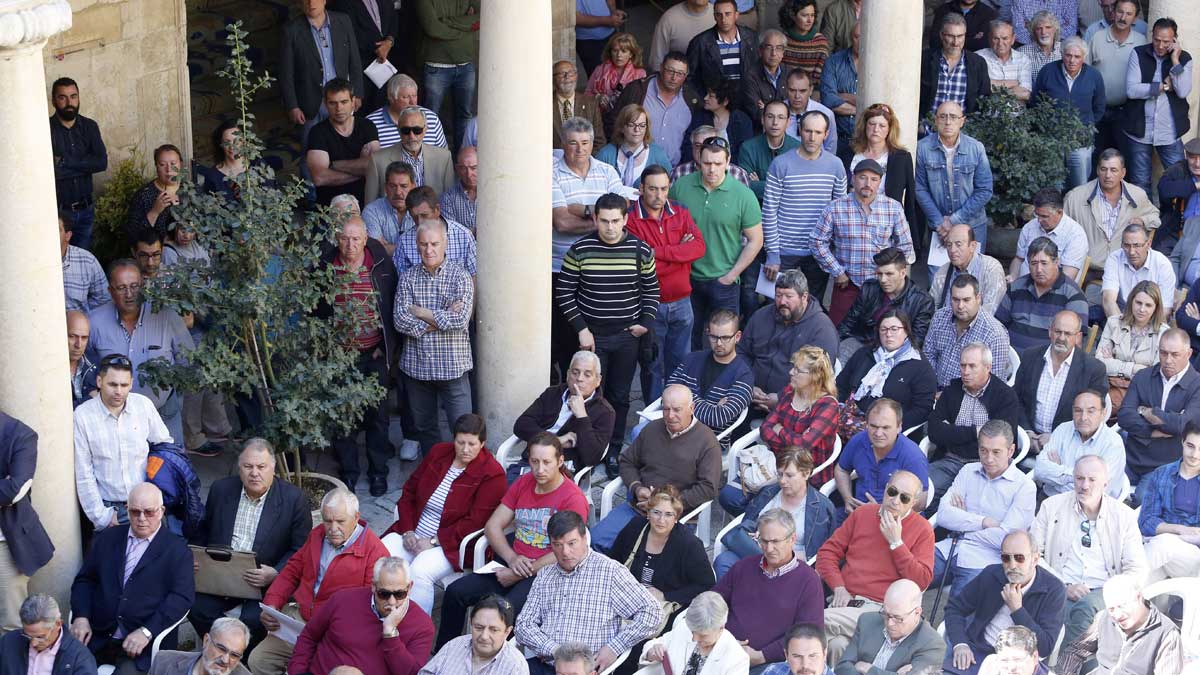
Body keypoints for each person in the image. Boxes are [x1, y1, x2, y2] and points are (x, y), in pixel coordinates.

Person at [435, 433, 590, 649]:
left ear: (560, 461)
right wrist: (512, 558)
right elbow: (493, 526)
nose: (540, 469)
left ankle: (490, 666)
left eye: (547, 462)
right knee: (455, 593)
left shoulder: (572, 498)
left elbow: (566, 550)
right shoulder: (524, 482)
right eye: (534, 461)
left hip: (545, 573)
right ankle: (445, 656)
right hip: (512, 561)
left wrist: (518, 573)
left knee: (502, 614)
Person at [557, 193, 660, 453]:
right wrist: (581, 329)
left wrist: (645, 323)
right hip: (592, 336)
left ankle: (613, 449)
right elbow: (564, 292)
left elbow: (652, 290)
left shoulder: (640, 250)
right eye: (604, 221)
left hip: (628, 336)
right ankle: (589, 447)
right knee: (589, 395)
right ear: (595, 219)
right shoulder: (580, 249)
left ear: (626, 219)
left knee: (620, 395)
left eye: (616, 220)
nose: (610, 227)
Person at [249, 488, 388, 675]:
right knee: (258, 661)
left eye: (340, 521)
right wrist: (271, 604)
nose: (333, 528)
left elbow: (369, 610)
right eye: (327, 521)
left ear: (356, 517)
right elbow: (292, 570)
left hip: (335, 632)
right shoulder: (317, 534)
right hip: (298, 619)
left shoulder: (375, 553)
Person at [189, 439, 310, 644]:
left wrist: (276, 572)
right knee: (194, 605)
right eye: (248, 466)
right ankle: (219, 649)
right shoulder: (221, 489)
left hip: (262, 582)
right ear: (239, 467)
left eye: (261, 467)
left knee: (254, 620)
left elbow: (300, 549)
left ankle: (243, 660)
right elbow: (203, 532)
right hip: (221, 576)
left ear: (273, 467)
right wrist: (195, 555)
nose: (255, 473)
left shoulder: (294, 499)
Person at [515, 510, 663, 675]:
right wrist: (555, 651)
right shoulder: (545, 575)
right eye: (558, 545)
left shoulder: (610, 572)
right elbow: (523, 625)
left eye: (572, 543)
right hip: (547, 663)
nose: (565, 552)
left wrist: (615, 647)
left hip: (584, 670)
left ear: (585, 539)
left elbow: (652, 613)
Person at [385, 414, 505, 615]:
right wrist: (407, 531)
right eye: (460, 442)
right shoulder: (438, 453)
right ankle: (378, 617)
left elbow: (475, 522)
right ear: (454, 439)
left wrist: (433, 541)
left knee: (420, 571)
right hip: (413, 531)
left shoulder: (492, 474)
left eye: (472, 444)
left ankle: (417, 631)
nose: (465, 449)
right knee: (380, 556)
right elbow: (409, 492)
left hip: (452, 544)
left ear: (482, 443)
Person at [69, 483, 194, 675]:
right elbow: (85, 580)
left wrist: (147, 631)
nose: (142, 519)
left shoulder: (177, 550)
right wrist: (81, 617)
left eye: (149, 512)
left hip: (141, 646)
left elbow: (181, 598)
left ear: (161, 511)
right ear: (127, 510)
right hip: (97, 634)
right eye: (135, 512)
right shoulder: (108, 538)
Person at [815, 471, 935, 663]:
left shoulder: (922, 529)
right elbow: (827, 553)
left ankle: (766, 654)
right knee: (837, 646)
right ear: (886, 488)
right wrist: (838, 586)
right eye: (893, 492)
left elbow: (921, 581)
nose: (895, 500)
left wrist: (896, 543)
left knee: (814, 620)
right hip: (847, 602)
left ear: (913, 503)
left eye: (904, 498)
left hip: (883, 612)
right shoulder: (863, 514)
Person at [318, 216, 398, 493]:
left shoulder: (380, 265)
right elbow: (316, 312)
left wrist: (384, 345)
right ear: (337, 239)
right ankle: (348, 473)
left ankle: (378, 472)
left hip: (372, 354)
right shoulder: (326, 267)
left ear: (365, 239)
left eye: (355, 239)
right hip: (340, 357)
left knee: (378, 416)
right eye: (344, 238)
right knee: (343, 417)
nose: (350, 245)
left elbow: (390, 307)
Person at [1032, 456, 1147, 647]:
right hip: (1061, 589)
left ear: (1105, 483)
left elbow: (1136, 568)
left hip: (1105, 594)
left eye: (1092, 480)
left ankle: (1062, 667)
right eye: (1079, 478)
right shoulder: (1051, 507)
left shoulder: (1123, 515)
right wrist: (1063, 586)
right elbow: (1033, 555)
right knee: (1072, 617)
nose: (1084, 485)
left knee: (1085, 611)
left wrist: (1111, 594)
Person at [591, 385, 721, 551]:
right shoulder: (652, 429)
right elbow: (627, 461)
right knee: (595, 540)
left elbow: (708, 488)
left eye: (677, 410)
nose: (670, 415)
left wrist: (665, 505)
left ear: (691, 408)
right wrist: (637, 488)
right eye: (666, 409)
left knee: (642, 558)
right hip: (639, 508)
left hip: (674, 516)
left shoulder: (707, 441)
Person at [551, 117, 628, 372]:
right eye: (572, 143)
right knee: (565, 338)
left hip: (603, 266)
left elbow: (622, 211)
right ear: (563, 143)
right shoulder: (551, 172)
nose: (579, 149)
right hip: (560, 268)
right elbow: (561, 222)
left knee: (597, 339)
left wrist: (579, 209)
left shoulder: (606, 171)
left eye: (585, 143)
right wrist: (600, 218)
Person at [670, 136, 763, 345]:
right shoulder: (681, 186)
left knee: (725, 343)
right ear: (698, 161)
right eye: (707, 163)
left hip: (725, 281)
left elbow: (756, 240)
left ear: (728, 162)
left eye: (718, 164)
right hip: (687, 278)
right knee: (686, 341)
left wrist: (732, 275)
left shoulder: (743, 195)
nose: (712, 169)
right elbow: (668, 225)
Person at [392, 221, 475, 455]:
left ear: (445, 243)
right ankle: (435, 474)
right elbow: (400, 321)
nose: (429, 250)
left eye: (435, 244)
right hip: (418, 369)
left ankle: (463, 480)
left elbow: (460, 321)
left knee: (464, 431)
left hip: (453, 369)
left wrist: (421, 313)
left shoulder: (461, 276)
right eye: (424, 244)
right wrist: (443, 316)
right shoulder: (408, 278)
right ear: (417, 245)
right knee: (425, 429)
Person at [626, 165, 707, 401]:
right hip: (651, 305)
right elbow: (640, 264)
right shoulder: (630, 220)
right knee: (652, 365)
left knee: (681, 364)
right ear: (641, 188)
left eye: (663, 188)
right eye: (652, 189)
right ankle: (652, 419)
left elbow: (699, 248)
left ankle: (678, 412)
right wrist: (680, 255)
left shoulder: (680, 213)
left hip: (683, 303)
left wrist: (657, 252)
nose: (659, 195)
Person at [608, 486, 715, 659]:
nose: (661, 520)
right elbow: (613, 561)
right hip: (627, 599)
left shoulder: (688, 544)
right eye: (656, 513)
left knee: (632, 650)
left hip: (662, 610)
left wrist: (665, 594)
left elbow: (706, 585)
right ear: (648, 512)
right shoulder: (636, 528)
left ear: (676, 517)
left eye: (668, 515)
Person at [934, 420, 1037, 598]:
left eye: (996, 452)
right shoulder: (968, 471)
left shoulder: (1025, 487)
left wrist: (961, 525)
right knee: (905, 576)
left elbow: (1006, 539)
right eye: (983, 450)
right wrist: (984, 522)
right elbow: (943, 515)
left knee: (958, 612)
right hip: (948, 547)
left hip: (984, 560)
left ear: (1011, 451)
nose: (988, 459)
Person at [715, 509, 825, 672]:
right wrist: (719, 638)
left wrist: (761, 656)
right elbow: (713, 601)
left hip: (769, 664)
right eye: (764, 541)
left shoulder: (808, 580)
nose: (769, 548)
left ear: (792, 539)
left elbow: (808, 634)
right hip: (723, 650)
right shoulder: (744, 566)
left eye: (775, 541)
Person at [943, 531, 1065, 675]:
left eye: (1019, 558)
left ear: (1035, 558)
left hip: (1020, 664)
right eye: (1006, 558)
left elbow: (1045, 647)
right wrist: (960, 643)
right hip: (979, 652)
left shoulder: (1054, 590)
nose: (1012, 565)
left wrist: (1017, 610)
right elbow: (954, 608)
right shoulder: (992, 574)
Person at [73, 354, 172, 530]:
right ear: (99, 381)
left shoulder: (143, 405)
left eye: (124, 385)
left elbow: (165, 447)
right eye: (112, 384)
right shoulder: (82, 416)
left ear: (131, 383)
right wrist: (102, 517)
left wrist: (157, 495)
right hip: (110, 508)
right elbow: (83, 473)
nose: (119, 391)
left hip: (146, 505)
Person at [811, 161, 915, 325]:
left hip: (882, 286)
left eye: (874, 179)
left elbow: (905, 246)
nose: (868, 184)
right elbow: (817, 241)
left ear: (880, 182)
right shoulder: (835, 208)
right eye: (863, 178)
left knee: (883, 334)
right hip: (847, 284)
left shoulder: (893, 208)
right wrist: (837, 271)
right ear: (853, 179)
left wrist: (892, 275)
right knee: (838, 334)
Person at [289, 557, 434, 675]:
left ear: (409, 588)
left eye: (399, 594)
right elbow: (309, 636)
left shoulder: (422, 625)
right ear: (373, 586)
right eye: (384, 594)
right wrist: (297, 671)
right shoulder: (342, 600)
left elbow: (411, 673)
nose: (392, 602)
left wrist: (390, 634)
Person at [762, 110, 846, 303]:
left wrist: (834, 253)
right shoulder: (780, 164)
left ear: (826, 134)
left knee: (812, 309)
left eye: (818, 132)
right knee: (777, 306)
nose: (812, 137)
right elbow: (769, 211)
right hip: (784, 251)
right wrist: (773, 254)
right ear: (800, 130)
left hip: (819, 251)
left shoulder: (836, 165)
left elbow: (839, 212)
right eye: (808, 131)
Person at [715, 448, 838, 577]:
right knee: (724, 561)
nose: (782, 481)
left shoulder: (822, 508)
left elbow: (820, 552)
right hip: (755, 552)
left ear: (806, 474)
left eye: (789, 475)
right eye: (780, 474)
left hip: (789, 565)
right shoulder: (769, 492)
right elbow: (747, 522)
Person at [926, 344, 1022, 501]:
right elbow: (934, 431)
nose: (965, 372)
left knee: (972, 503)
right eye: (963, 365)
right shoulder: (953, 390)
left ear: (987, 367)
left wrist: (951, 432)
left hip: (984, 467)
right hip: (950, 461)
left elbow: (1001, 441)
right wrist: (975, 432)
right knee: (918, 490)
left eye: (972, 366)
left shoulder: (1004, 396)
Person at [510, 352, 616, 478]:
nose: (579, 378)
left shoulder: (605, 412)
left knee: (541, 494)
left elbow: (592, 457)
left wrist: (582, 416)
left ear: (598, 380)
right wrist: (556, 441)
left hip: (565, 469)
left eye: (587, 375)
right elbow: (521, 425)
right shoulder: (553, 393)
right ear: (567, 375)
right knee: (510, 490)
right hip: (534, 460)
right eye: (575, 373)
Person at [1116, 328, 1200, 484]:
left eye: (1175, 355)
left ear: (1188, 354)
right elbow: (1124, 417)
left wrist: (1146, 412)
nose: (1168, 360)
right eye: (1163, 353)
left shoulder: (1197, 385)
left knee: (1142, 499)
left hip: (1168, 464)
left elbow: (1183, 426)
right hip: (1131, 457)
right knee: (1105, 490)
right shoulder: (1143, 376)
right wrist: (1153, 431)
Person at [1013, 311, 1107, 448]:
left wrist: (1057, 437)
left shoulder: (1094, 369)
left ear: (1078, 337)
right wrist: (1026, 432)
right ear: (1050, 332)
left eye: (1068, 334)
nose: (1062, 338)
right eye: (1058, 331)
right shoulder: (1030, 356)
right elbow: (1016, 398)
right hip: (1027, 439)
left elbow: (1092, 415)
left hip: (1068, 444)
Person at [1056, 574, 1183, 675]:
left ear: (1139, 597)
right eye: (1111, 609)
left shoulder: (1166, 634)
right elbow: (1076, 650)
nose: (1117, 615)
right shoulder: (1104, 618)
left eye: (1122, 606)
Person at [741, 271, 838, 402]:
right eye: (778, 295)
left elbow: (818, 376)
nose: (782, 301)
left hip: (794, 404)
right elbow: (742, 352)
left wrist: (781, 398)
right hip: (749, 394)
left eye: (789, 296)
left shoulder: (822, 329)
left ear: (804, 297)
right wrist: (747, 385)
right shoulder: (761, 316)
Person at [280, 0, 361, 158]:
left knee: (345, 148)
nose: (311, 3)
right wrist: (293, 106)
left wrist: (357, 92)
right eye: (305, 0)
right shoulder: (291, 30)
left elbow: (354, 60)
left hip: (342, 99)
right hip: (310, 102)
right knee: (310, 152)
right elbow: (286, 73)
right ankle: (310, 183)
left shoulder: (343, 21)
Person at [1123, 17, 1194, 194]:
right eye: (1156, 40)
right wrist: (1164, 86)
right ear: (1151, 36)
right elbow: (1131, 90)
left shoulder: (1184, 58)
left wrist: (1176, 61)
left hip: (1169, 132)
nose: (1160, 45)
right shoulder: (1138, 53)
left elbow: (1183, 90)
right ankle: (1144, 221)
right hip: (1139, 130)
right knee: (1140, 183)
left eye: (1166, 41)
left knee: (1179, 180)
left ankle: (1176, 220)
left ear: (1175, 39)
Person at [1063, 149, 1160, 276]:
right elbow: (1061, 230)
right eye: (1103, 169)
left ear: (1123, 173)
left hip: (1125, 269)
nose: (1108, 175)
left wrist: (1142, 221)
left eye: (1113, 170)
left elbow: (1155, 217)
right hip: (1087, 269)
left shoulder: (1137, 195)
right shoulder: (1075, 197)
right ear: (1097, 170)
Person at [915, 102, 994, 256]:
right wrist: (940, 222)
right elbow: (920, 189)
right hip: (939, 229)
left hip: (972, 225)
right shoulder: (923, 148)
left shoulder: (976, 148)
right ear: (936, 120)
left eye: (953, 117)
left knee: (971, 276)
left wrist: (953, 221)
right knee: (938, 277)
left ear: (962, 121)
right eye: (943, 117)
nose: (948, 122)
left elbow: (984, 190)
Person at [663, 309, 755, 441]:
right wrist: (709, 407)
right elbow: (667, 393)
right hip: (672, 430)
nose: (718, 343)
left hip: (708, 442)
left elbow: (718, 418)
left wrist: (680, 400)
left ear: (737, 337)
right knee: (639, 433)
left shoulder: (744, 376)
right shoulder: (692, 359)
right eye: (714, 337)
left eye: (725, 338)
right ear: (708, 333)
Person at [0, 412, 54, 634]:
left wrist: (7, 486)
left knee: (9, 625)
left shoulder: (21, 435)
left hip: (5, 544)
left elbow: (13, 491)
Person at [1031, 36, 1106, 189]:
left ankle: (1078, 212)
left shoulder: (1094, 76)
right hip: (1051, 139)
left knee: (1080, 185)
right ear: (1062, 54)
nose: (1072, 60)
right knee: (1053, 186)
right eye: (1068, 55)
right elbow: (1035, 104)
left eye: (1077, 56)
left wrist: (1086, 128)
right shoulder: (1047, 72)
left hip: (1081, 141)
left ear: (1083, 57)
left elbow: (1099, 108)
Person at [833, 400, 931, 516]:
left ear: (899, 427)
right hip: (857, 512)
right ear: (867, 424)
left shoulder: (913, 457)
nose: (878, 433)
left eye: (886, 428)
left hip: (895, 521)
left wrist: (883, 510)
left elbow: (921, 501)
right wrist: (847, 497)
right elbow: (842, 469)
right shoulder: (859, 441)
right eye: (874, 426)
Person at [996, 238, 1090, 352]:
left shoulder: (1073, 296)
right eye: (1034, 263)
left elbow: (1075, 343)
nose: (1039, 269)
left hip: (1046, 364)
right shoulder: (1016, 287)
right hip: (1009, 360)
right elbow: (998, 326)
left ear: (1056, 262)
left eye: (1044, 263)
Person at [834, 579, 945, 674]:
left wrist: (867, 669)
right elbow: (842, 667)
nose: (890, 623)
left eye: (898, 618)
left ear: (917, 613)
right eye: (886, 614)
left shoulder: (932, 644)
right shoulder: (867, 621)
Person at [614, 52, 703, 167]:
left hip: (674, 169)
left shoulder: (692, 99)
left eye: (680, 73)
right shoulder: (637, 90)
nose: (674, 77)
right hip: (635, 166)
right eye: (670, 71)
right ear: (661, 68)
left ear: (686, 76)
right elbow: (615, 121)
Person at [1032, 390, 1128, 498]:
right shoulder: (1062, 429)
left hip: (1089, 509)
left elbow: (1095, 490)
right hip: (1050, 499)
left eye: (1091, 411)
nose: (1083, 418)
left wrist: (1058, 471)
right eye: (1078, 411)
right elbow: (1039, 470)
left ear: (1103, 413)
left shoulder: (1113, 443)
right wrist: (1079, 477)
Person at [1138, 421, 1200, 587]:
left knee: (1163, 545)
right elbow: (1146, 521)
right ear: (1182, 442)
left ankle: (1118, 585)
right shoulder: (1162, 474)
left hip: (1194, 561)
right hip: (1160, 551)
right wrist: (1179, 530)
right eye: (1190, 446)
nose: (1195, 454)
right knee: (1139, 588)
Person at [923, 276, 1012, 389]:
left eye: (966, 300)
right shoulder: (940, 317)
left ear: (978, 298)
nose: (960, 306)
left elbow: (994, 384)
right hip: (934, 387)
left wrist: (951, 395)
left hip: (970, 397)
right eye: (955, 300)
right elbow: (928, 354)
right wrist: (931, 385)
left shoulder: (994, 334)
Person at [50, 76, 107, 251]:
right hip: (59, 213)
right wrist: (84, 165)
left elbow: (101, 163)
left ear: (79, 98)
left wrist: (65, 162)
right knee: (59, 263)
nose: (69, 102)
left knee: (82, 260)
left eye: (73, 96)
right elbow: (51, 172)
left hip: (86, 211)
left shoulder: (90, 127)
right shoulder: (45, 129)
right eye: (63, 97)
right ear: (53, 100)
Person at [306, 79, 380, 207]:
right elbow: (319, 178)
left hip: (367, 204)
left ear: (353, 101)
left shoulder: (367, 126)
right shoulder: (317, 132)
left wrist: (334, 165)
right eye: (333, 103)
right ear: (325, 104)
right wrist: (362, 171)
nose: (339, 108)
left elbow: (375, 166)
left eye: (344, 102)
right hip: (329, 209)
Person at [848, 103, 918, 238]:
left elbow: (910, 199)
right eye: (872, 124)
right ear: (864, 126)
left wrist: (913, 236)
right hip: (851, 221)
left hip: (887, 225)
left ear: (889, 129)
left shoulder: (901, 158)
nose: (876, 129)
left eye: (882, 126)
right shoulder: (848, 152)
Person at [1097, 282, 1167, 415]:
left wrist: (1113, 362)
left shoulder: (1163, 334)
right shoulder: (1114, 323)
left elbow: (1155, 376)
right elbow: (1100, 363)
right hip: (1108, 386)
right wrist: (1135, 368)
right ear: (1131, 302)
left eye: (1148, 305)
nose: (1142, 309)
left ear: (1156, 308)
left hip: (1141, 392)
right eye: (1138, 303)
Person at [1087, 1, 1147, 155]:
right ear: (1113, 12)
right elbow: (1084, 73)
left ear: (1134, 19)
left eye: (1129, 14)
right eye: (1120, 12)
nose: (1123, 18)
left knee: (1124, 157)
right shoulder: (1097, 37)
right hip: (1098, 110)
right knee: (1096, 156)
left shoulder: (1141, 41)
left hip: (1127, 111)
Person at [639, 591, 749, 674]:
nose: (695, 638)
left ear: (721, 627)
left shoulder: (737, 659)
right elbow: (655, 645)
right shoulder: (684, 627)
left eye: (703, 635)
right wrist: (652, 652)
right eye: (693, 631)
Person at [415, 0, 478, 141]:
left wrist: (448, 22)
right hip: (436, 66)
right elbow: (433, 28)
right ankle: (429, 159)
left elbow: (483, 17)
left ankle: (461, 159)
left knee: (465, 115)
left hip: (466, 64)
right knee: (429, 117)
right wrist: (464, 30)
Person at [364, 105, 453, 203]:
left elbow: (450, 201)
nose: (411, 136)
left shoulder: (444, 158)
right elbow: (370, 204)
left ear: (425, 130)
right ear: (398, 130)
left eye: (417, 130)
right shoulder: (378, 160)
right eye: (406, 131)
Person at [421, 595, 528, 675]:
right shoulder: (453, 645)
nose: (484, 636)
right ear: (471, 623)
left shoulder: (515, 666)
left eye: (494, 630)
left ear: (507, 632)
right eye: (479, 628)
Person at [919, 14, 992, 120]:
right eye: (950, 36)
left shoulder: (977, 63)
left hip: (963, 131)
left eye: (960, 36)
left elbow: (984, 99)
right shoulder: (925, 59)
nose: (955, 42)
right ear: (941, 35)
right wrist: (919, 123)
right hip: (927, 128)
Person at [0, 594, 97, 673]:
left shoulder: (80, 658)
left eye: (40, 637)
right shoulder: (8, 642)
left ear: (58, 624)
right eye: (27, 636)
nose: (33, 643)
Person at [391, 188, 477, 276]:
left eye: (424, 215)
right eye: (415, 217)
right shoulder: (404, 241)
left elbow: (474, 276)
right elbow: (401, 280)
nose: (420, 222)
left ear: (437, 210)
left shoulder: (463, 235)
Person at [1009, 188, 1088, 283]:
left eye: (1044, 216)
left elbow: (1067, 277)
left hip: (1054, 293)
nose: (1039, 220)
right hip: (1022, 288)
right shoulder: (1030, 227)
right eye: (1037, 215)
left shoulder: (1076, 235)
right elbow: (1019, 259)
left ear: (1059, 212)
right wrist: (1013, 277)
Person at [1101, 223, 1176, 319]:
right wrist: (1120, 329)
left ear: (1148, 244)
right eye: (1127, 245)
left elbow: (1164, 310)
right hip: (1120, 316)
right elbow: (1108, 300)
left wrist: (1143, 331)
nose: (1131, 252)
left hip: (1150, 320)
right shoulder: (1114, 258)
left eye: (1137, 246)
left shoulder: (1162, 264)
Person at [930, 225, 1007, 314]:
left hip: (981, 326)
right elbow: (932, 308)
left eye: (958, 244)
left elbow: (989, 312)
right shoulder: (943, 271)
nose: (952, 250)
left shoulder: (990, 268)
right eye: (949, 245)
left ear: (973, 246)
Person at [686, 0, 760, 93]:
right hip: (715, 102)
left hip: (746, 100)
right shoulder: (700, 42)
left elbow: (760, 71)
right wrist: (704, 100)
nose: (723, 19)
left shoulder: (751, 38)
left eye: (728, 14)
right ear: (714, 16)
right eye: (719, 15)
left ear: (736, 15)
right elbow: (690, 78)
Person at [595, 105, 672, 188]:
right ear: (622, 127)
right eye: (631, 125)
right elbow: (594, 185)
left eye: (642, 125)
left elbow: (670, 184)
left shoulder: (658, 155)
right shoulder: (606, 154)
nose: (637, 130)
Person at [366, 73, 449, 151]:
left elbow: (443, 154)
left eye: (414, 96)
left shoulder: (431, 118)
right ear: (391, 98)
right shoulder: (371, 123)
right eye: (406, 97)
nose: (412, 102)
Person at [739, 100, 801, 201]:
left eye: (781, 117)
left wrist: (761, 184)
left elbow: (797, 188)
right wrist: (783, 186)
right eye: (770, 117)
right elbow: (745, 185)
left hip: (789, 210)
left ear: (788, 122)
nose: (775, 122)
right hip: (757, 209)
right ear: (762, 119)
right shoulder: (748, 148)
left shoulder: (797, 148)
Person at [683, 78, 754, 163]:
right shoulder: (700, 117)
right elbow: (688, 144)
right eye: (707, 94)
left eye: (711, 96)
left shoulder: (742, 121)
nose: (705, 98)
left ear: (725, 101)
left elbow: (745, 152)